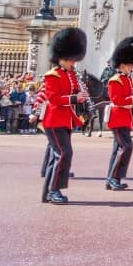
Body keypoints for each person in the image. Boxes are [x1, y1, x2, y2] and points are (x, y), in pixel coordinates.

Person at [40, 27, 88, 205]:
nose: (72, 62)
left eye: (73, 59)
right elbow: (53, 99)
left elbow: (74, 92)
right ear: (60, 57)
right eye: (69, 59)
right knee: (64, 153)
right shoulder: (51, 75)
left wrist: (81, 95)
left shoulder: (70, 75)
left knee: (57, 156)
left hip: (65, 120)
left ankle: (47, 192)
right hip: (54, 120)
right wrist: (75, 97)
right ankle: (54, 191)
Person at [104, 37, 133, 191]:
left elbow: (129, 98)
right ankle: (114, 178)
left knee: (118, 149)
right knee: (126, 147)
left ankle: (112, 179)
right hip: (117, 118)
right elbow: (118, 100)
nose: (132, 68)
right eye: (129, 65)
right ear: (122, 65)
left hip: (124, 118)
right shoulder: (115, 80)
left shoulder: (127, 80)